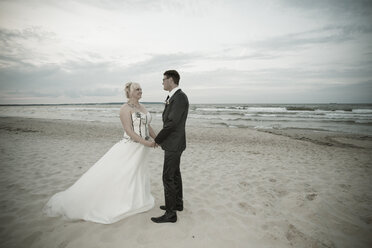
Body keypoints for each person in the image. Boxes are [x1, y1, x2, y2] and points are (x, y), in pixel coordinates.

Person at [42, 82, 157, 224]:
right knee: (124, 173)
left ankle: (138, 198)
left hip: (142, 149)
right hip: (131, 146)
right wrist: (145, 142)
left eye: (141, 89)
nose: (140, 91)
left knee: (137, 173)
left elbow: (147, 125)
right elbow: (128, 130)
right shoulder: (125, 109)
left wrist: (156, 138)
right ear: (130, 92)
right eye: (137, 89)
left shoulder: (142, 107)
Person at [151, 70, 189, 223]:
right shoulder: (173, 96)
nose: (162, 82)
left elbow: (172, 123)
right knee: (174, 174)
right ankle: (177, 204)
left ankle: (170, 213)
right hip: (175, 142)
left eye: (164, 79)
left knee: (168, 176)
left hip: (174, 143)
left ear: (171, 80)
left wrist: (158, 139)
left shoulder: (179, 97)